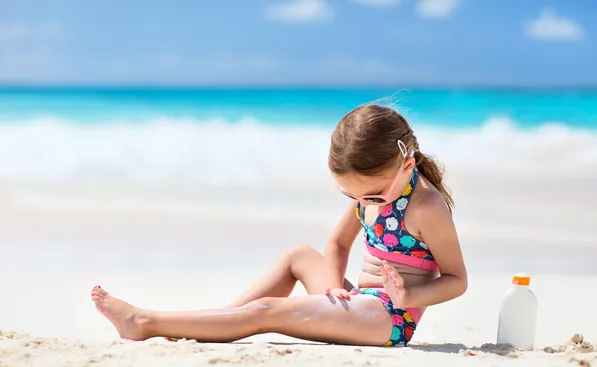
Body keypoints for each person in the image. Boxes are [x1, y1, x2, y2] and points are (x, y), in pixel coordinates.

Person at [91, 104, 468, 347]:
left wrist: (409, 298)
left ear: (406, 163)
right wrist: (335, 287)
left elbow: (457, 279)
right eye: (353, 195)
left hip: (390, 318)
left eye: (373, 196)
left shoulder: (427, 207)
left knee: (269, 311)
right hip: (360, 302)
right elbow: (337, 246)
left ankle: (143, 322)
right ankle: (218, 323)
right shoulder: (372, 189)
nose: (365, 203)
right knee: (298, 256)